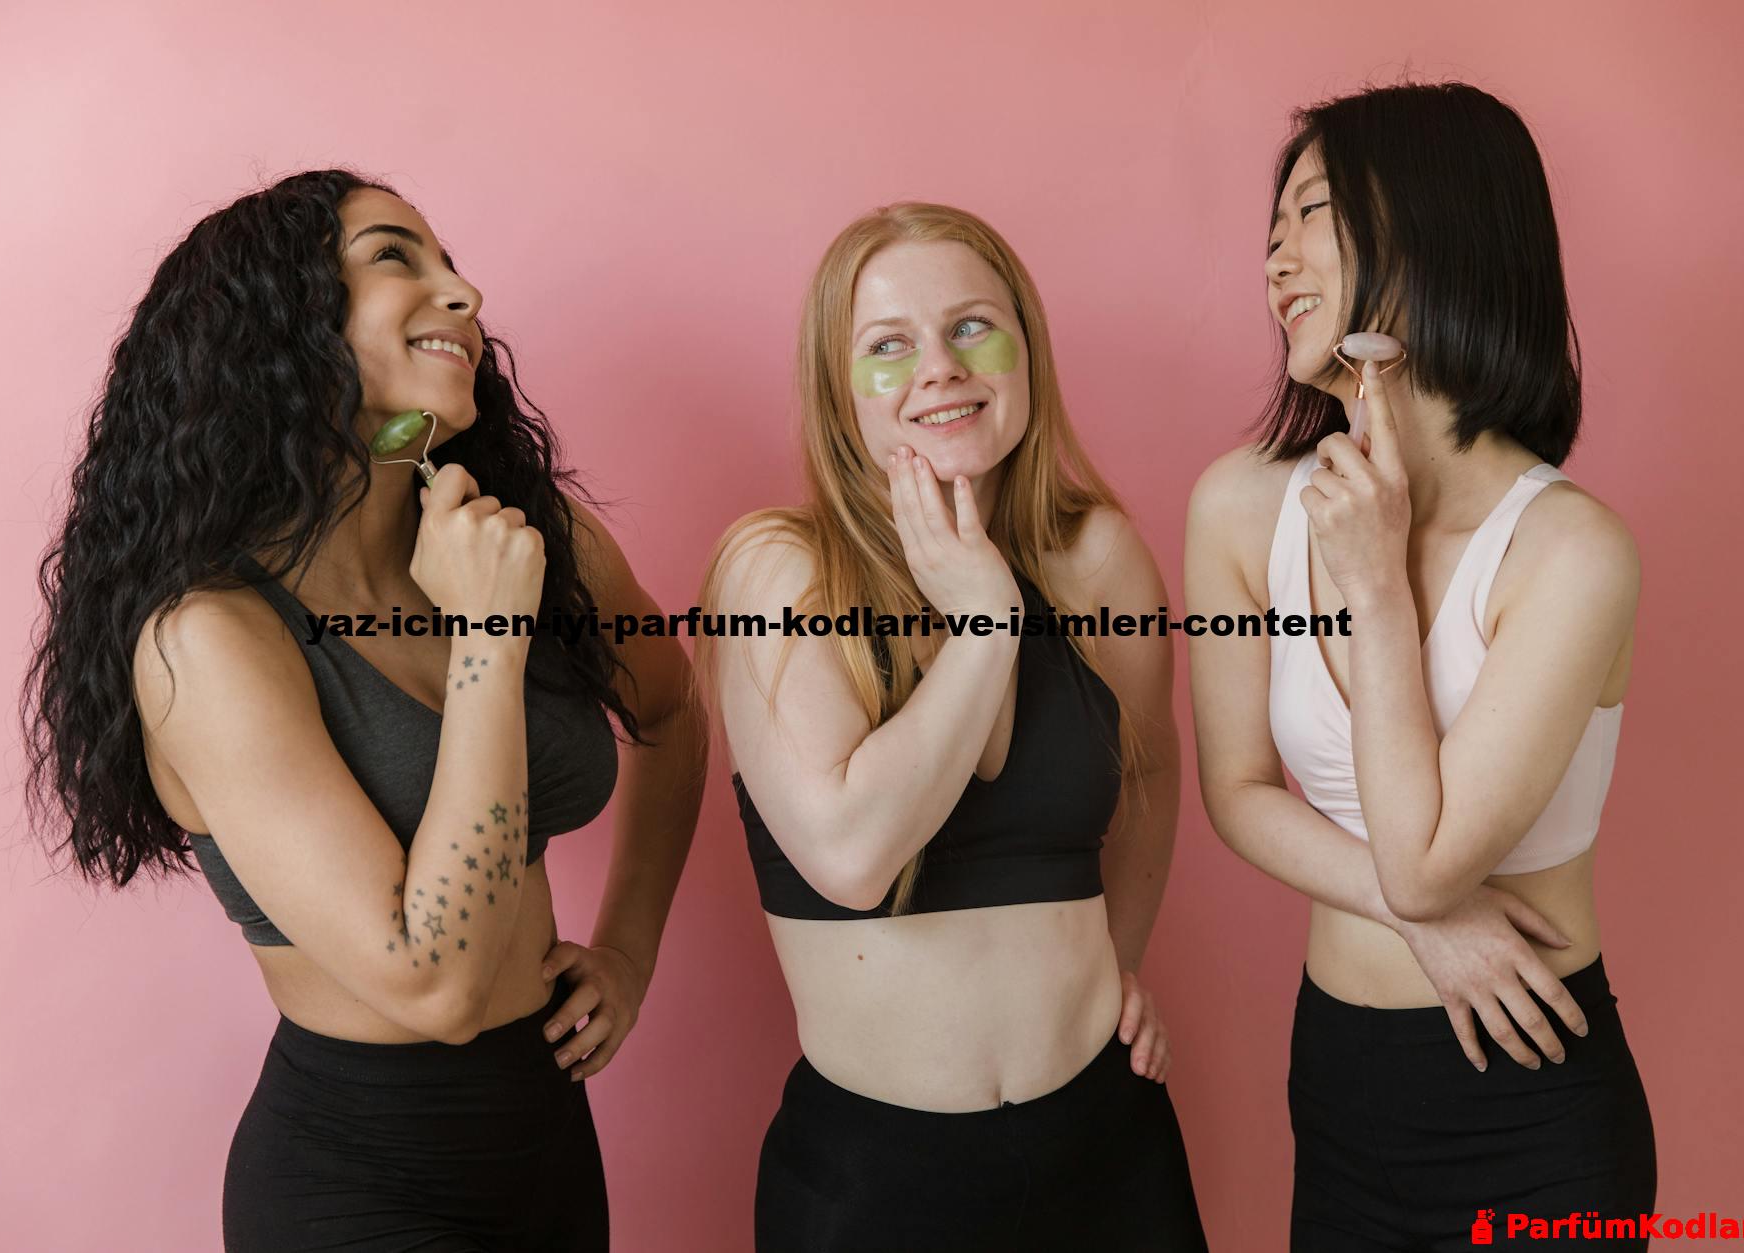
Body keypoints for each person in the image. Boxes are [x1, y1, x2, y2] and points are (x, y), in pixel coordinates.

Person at [21, 169, 704, 1252]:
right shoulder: (210, 637)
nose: (465, 292)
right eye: (397, 255)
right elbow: (430, 980)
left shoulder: (528, 536)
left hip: (548, 1146)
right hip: (355, 1183)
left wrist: (625, 951)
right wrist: (487, 636)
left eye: (451, 261)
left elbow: (670, 705)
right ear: (280, 322)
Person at [1184, 82, 1656, 1251]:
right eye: (1269, 228)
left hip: (1532, 1102)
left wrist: (1375, 588)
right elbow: (1233, 792)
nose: (1272, 258)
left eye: (1310, 213)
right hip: (1341, 1082)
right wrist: (1424, 929)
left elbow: (1429, 861)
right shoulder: (1236, 506)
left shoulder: (1571, 551)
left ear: (1430, 225)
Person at [698, 202, 1207, 1252]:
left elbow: (1150, 774)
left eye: (972, 326)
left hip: (1109, 1151)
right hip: (876, 1188)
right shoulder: (776, 568)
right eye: (887, 346)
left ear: (1024, 349)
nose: (938, 367)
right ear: (841, 396)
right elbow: (849, 853)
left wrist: (1115, 963)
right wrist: (983, 619)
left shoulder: (1096, 557)